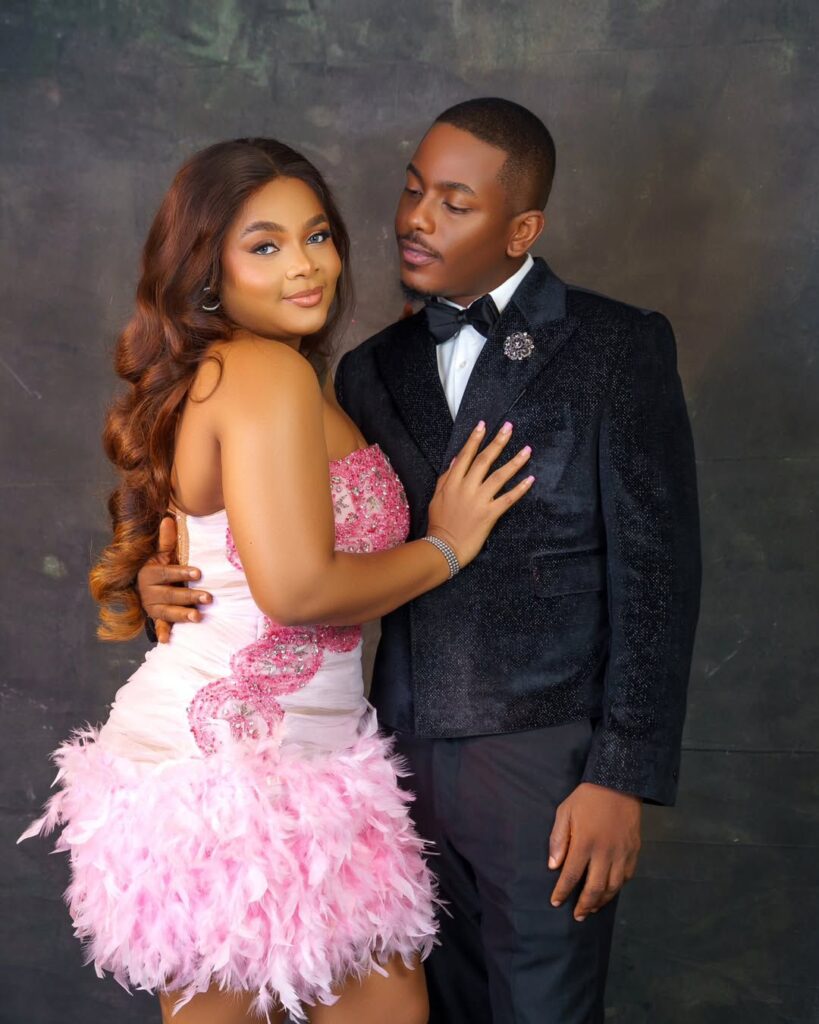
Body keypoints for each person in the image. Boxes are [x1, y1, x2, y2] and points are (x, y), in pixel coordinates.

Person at [136, 99, 702, 1024]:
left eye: (453, 203)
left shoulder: (614, 346)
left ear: (521, 229)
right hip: (382, 759)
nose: (416, 220)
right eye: (411, 192)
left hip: (540, 762)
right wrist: (161, 581)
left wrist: (620, 773)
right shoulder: (365, 366)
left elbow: (658, 580)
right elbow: (264, 538)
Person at [18, 137, 536, 1024]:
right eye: (265, 246)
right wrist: (448, 546)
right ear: (206, 271)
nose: (305, 266)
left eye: (317, 236)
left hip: (322, 765)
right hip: (225, 768)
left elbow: (220, 550)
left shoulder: (278, 373)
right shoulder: (260, 373)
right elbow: (295, 592)